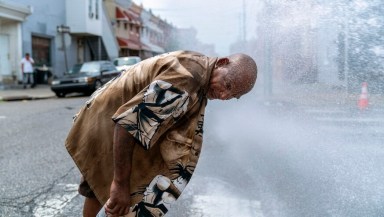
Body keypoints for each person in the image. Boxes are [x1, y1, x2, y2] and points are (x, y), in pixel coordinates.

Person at [65, 50, 257, 217]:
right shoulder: (187, 79)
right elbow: (127, 125)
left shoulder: (200, 68)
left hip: (107, 120)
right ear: (222, 62)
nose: (224, 96)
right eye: (228, 85)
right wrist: (120, 184)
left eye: (233, 96)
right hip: (108, 127)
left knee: (100, 185)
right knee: (119, 195)